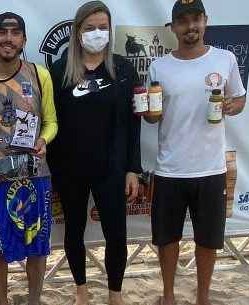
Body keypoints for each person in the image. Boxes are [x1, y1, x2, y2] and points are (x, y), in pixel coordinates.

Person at [146, 1, 246, 304]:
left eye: (196, 20)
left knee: (208, 241)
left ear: (205, 21)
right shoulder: (159, 66)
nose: (190, 27)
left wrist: (232, 106)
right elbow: (153, 116)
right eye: (183, 21)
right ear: (173, 27)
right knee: (167, 240)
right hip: (169, 169)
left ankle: (203, 296)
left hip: (211, 169)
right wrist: (149, 113)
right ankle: (168, 296)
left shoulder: (225, 59)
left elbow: (240, 99)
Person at [47, 1, 142, 304]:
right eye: (89, 28)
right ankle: (81, 291)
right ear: (77, 33)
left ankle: (115, 294)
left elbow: (133, 125)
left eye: (102, 27)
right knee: (73, 232)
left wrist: (133, 169)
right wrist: (51, 169)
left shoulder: (124, 70)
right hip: (70, 169)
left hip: (112, 169)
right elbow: (51, 122)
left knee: (117, 234)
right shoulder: (59, 71)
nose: (97, 33)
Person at [0, 12, 58, 305]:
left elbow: (52, 122)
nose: (8, 38)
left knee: (38, 246)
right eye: (2, 33)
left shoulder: (39, 74)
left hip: (35, 176)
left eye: (15, 32)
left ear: (24, 39)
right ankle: (2, 300)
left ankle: (33, 299)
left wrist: (44, 140)